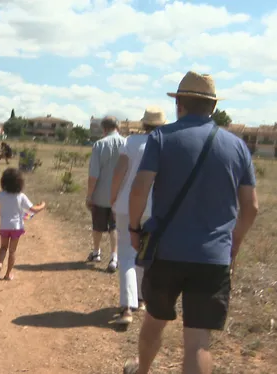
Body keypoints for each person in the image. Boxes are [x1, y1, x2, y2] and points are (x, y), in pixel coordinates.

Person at [123, 71, 259, 374]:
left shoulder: (161, 138)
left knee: (154, 322)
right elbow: (251, 206)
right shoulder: (237, 146)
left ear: (179, 103)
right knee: (198, 342)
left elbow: (140, 187)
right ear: (212, 108)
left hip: (166, 252)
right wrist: (234, 243)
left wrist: (134, 228)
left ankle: (141, 370)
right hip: (213, 258)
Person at [110, 106, 167, 325]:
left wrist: (112, 198)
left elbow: (119, 173)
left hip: (126, 205)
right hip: (154, 208)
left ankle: (126, 308)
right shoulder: (167, 144)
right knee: (145, 253)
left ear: (143, 124)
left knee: (126, 254)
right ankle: (141, 299)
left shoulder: (131, 143)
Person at [0, 168, 46, 280]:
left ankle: (0, 263)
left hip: (4, 226)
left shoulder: (1, 195)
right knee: (12, 251)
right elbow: (33, 209)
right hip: (17, 227)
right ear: (20, 183)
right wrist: (42, 205)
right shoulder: (21, 196)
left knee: (3, 247)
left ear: (3, 181)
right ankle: (8, 274)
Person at [85, 116, 126, 272]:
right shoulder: (126, 143)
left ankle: (96, 252)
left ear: (104, 129)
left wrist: (89, 195)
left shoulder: (99, 145)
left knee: (98, 225)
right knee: (114, 226)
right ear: (118, 127)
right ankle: (114, 257)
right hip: (120, 195)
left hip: (101, 194)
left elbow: (93, 174)